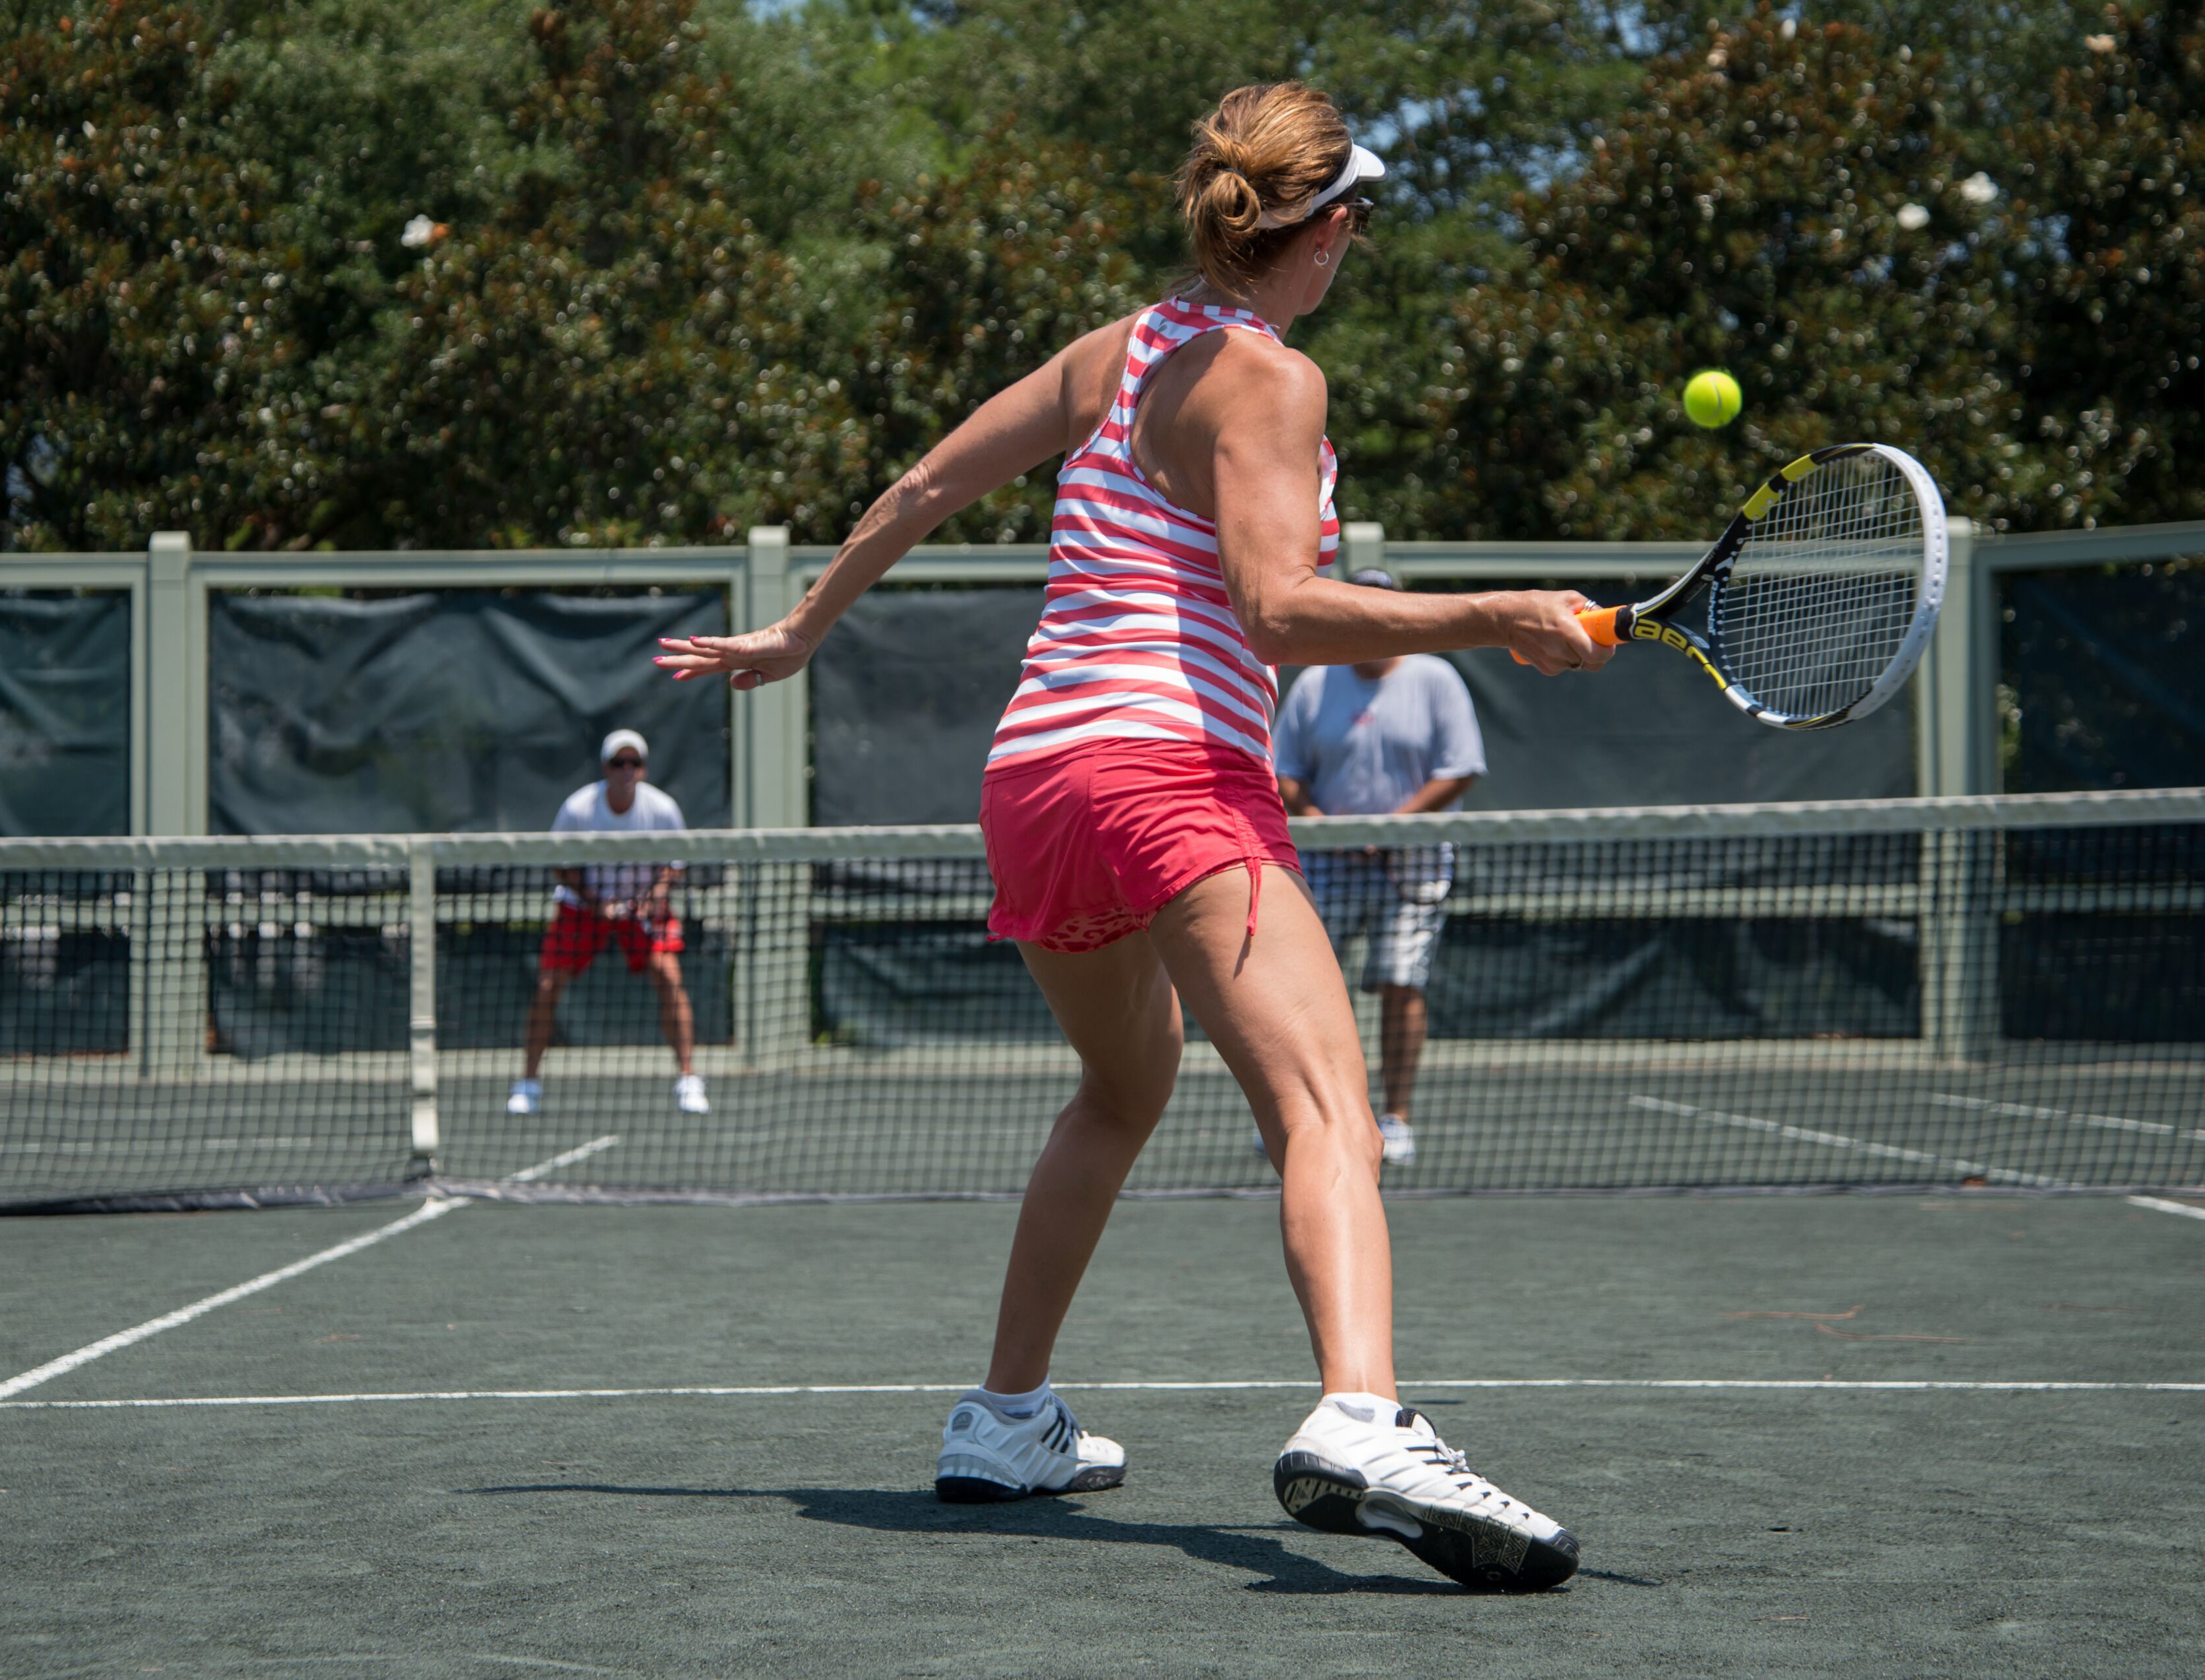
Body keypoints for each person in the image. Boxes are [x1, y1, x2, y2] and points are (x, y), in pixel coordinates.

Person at [658, 83, 1610, 1591]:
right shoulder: (1268, 380)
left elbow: (922, 484)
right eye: (1358, 219)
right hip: (1172, 772)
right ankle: (1362, 1414)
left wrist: (796, 632)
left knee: (1122, 1088)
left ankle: (1005, 1417)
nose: (1358, 241)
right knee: (1323, 1106)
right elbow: (1278, 614)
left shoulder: (1121, 350)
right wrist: (1499, 615)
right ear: (1330, 227)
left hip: (1034, 784)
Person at [1273, 572, 1485, 1167]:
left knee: (1401, 981)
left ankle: (1396, 1118)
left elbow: (1460, 768)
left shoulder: (1436, 679)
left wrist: (1392, 827)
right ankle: (1308, 1115)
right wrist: (1326, 824)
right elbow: (1285, 770)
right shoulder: (1315, 684)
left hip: (1414, 860)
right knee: (1306, 990)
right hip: (1327, 860)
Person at [509, 729, 709, 1119]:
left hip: (643, 908)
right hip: (582, 907)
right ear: (606, 768)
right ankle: (528, 1084)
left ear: (644, 769)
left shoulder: (662, 809)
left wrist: (652, 899)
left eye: (635, 763)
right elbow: (559, 864)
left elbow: (676, 864)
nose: (627, 770)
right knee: (548, 986)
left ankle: (688, 1079)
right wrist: (595, 903)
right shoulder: (579, 808)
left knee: (669, 977)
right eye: (620, 763)